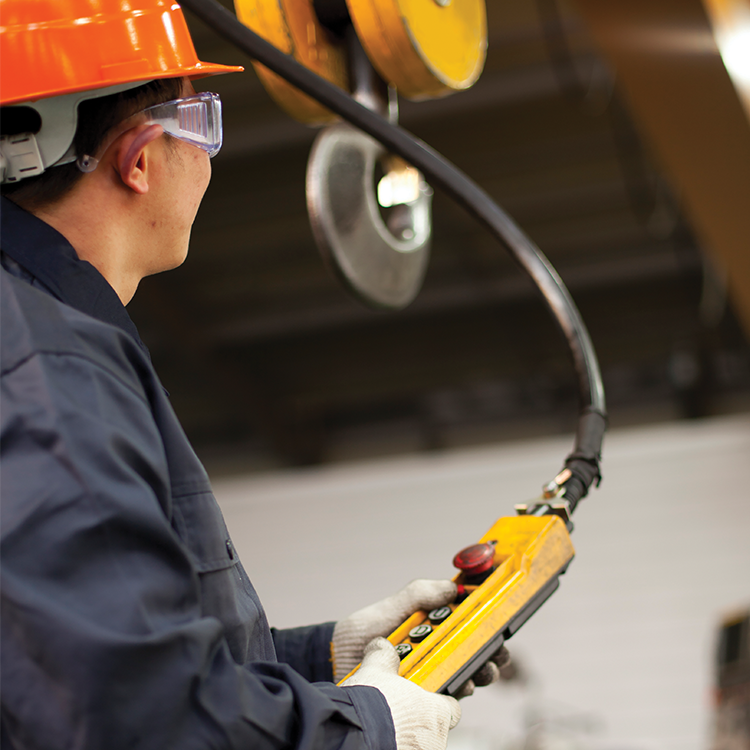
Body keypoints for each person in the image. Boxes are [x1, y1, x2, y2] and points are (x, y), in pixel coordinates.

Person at [0, 2, 507, 748]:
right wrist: (365, 727)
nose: (207, 154)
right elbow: (143, 718)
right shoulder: (46, 365)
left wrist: (326, 655)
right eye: (198, 121)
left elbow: (89, 660)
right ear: (138, 160)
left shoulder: (42, 335)